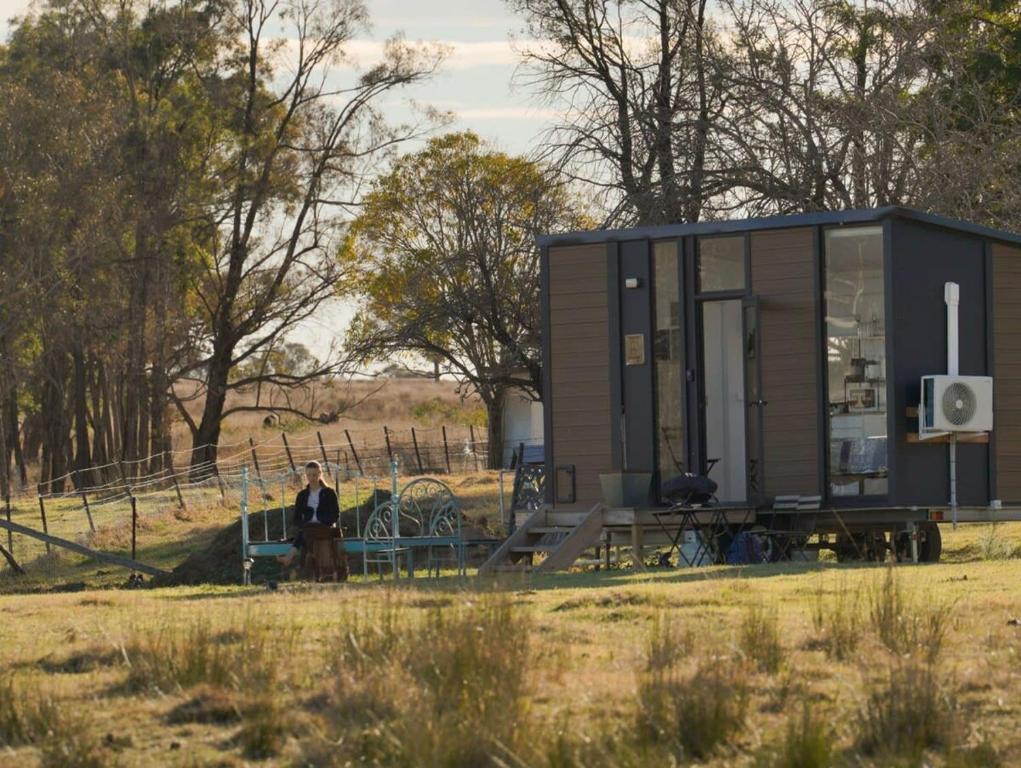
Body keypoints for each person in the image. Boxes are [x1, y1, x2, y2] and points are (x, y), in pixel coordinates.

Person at [277, 460, 341, 567]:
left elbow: (335, 514)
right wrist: (303, 524)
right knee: (305, 532)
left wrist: (326, 521)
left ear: (320, 474)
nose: (311, 478)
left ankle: (289, 558)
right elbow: (296, 517)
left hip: (325, 527)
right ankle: (297, 561)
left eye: (314, 475)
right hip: (308, 527)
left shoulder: (329, 493)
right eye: (309, 475)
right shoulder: (302, 495)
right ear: (306, 475)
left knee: (303, 534)